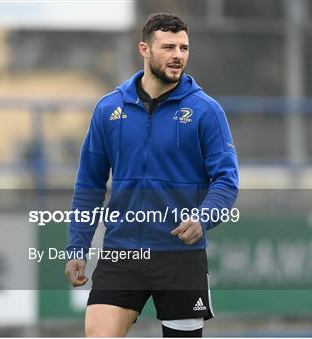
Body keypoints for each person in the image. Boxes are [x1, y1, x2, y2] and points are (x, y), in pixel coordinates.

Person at [64, 13, 238, 337]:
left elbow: (226, 180)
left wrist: (203, 218)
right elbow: (89, 184)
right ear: (144, 49)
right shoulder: (108, 109)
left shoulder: (206, 111)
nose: (178, 56)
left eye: (184, 48)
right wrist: (77, 247)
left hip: (180, 258)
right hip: (122, 252)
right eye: (168, 47)